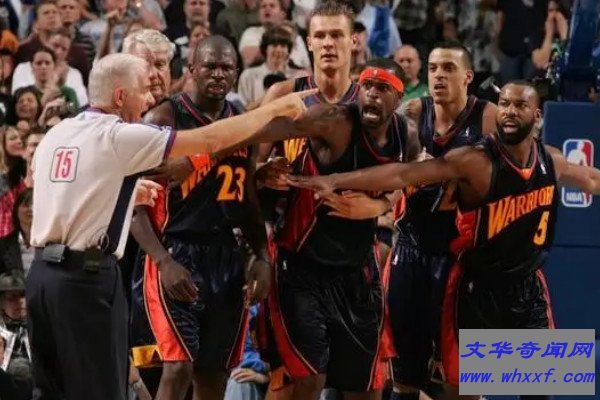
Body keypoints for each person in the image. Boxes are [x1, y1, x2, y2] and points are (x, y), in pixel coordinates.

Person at [25, 52, 313, 400]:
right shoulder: (117, 135)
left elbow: (54, 186)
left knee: (50, 391)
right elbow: (209, 140)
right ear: (120, 96)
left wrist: (121, 193)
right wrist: (272, 111)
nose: (149, 99)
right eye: (143, 91)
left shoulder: (57, 133)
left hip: (41, 278)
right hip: (86, 279)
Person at [287, 80, 600, 393]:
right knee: (461, 391)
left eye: (520, 105)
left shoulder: (551, 161)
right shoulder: (475, 161)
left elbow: (590, 179)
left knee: (542, 387)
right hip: (477, 289)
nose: (509, 111)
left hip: (528, 286)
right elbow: (403, 173)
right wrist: (336, 179)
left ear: (537, 115)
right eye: (504, 103)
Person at [258, 58, 420, 400]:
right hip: (303, 266)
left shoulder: (413, 135)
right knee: (303, 382)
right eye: (367, 86)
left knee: (375, 385)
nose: (372, 94)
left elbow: (407, 178)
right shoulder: (333, 119)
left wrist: (379, 205)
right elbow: (261, 130)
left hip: (364, 270)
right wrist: (252, 165)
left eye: (383, 88)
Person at [130, 35, 271, 400]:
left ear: (237, 73)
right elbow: (134, 204)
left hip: (226, 255)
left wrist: (262, 254)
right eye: (210, 66)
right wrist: (163, 261)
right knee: (177, 367)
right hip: (175, 250)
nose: (218, 74)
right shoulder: (163, 117)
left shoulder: (242, 122)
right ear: (191, 69)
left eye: (226, 67)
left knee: (214, 376)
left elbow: (248, 198)